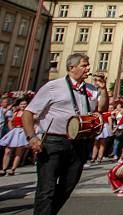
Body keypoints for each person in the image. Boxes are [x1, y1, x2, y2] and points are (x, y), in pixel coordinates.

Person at [23, 53, 109, 215]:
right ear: (72, 68)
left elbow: (102, 109)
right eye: (84, 65)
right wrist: (32, 137)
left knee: (67, 187)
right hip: (53, 141)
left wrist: (103, 90)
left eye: (88, 65)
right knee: (46, 189)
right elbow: (28, 113)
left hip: (79, 143)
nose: (88, 68)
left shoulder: (90, 89)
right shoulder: (53, 86)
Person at [1, 99, 29, 175]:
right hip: (14, 131)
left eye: (25, 104)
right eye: (22, 104)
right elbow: (10, 121)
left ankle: (13, 169)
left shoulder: (28, 114)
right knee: (7, 151)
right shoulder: (16, 112)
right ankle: (4, 169)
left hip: (23, 131)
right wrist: (11, 129)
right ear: (19, 105)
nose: (23, 105)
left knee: (18, 152)